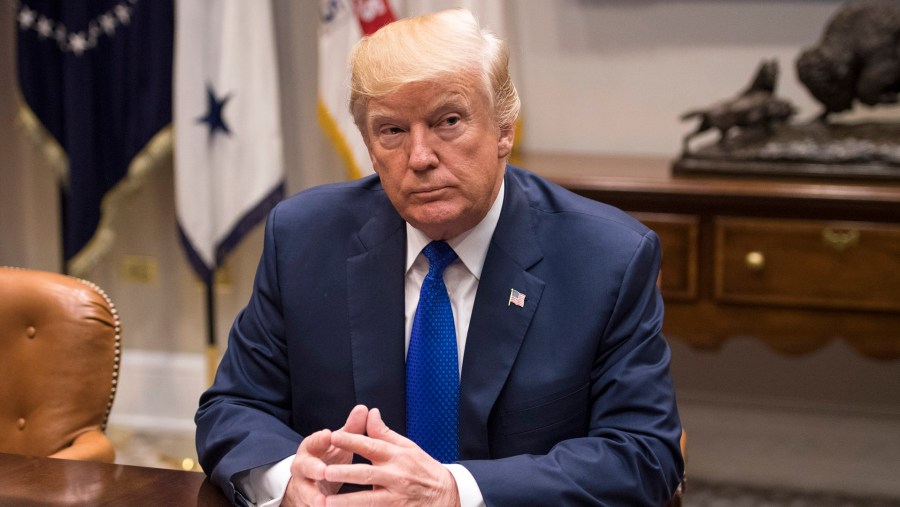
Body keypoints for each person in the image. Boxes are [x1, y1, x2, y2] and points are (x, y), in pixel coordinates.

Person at [196, 8, 683, 506]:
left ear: (504, 130)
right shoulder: (303, 238)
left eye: (448, 122)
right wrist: (289, 480)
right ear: (368, 143)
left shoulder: (606, 258)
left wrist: (455, 493)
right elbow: (233, 406)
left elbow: (644, 455)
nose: (420, 157)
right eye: (392, 131)